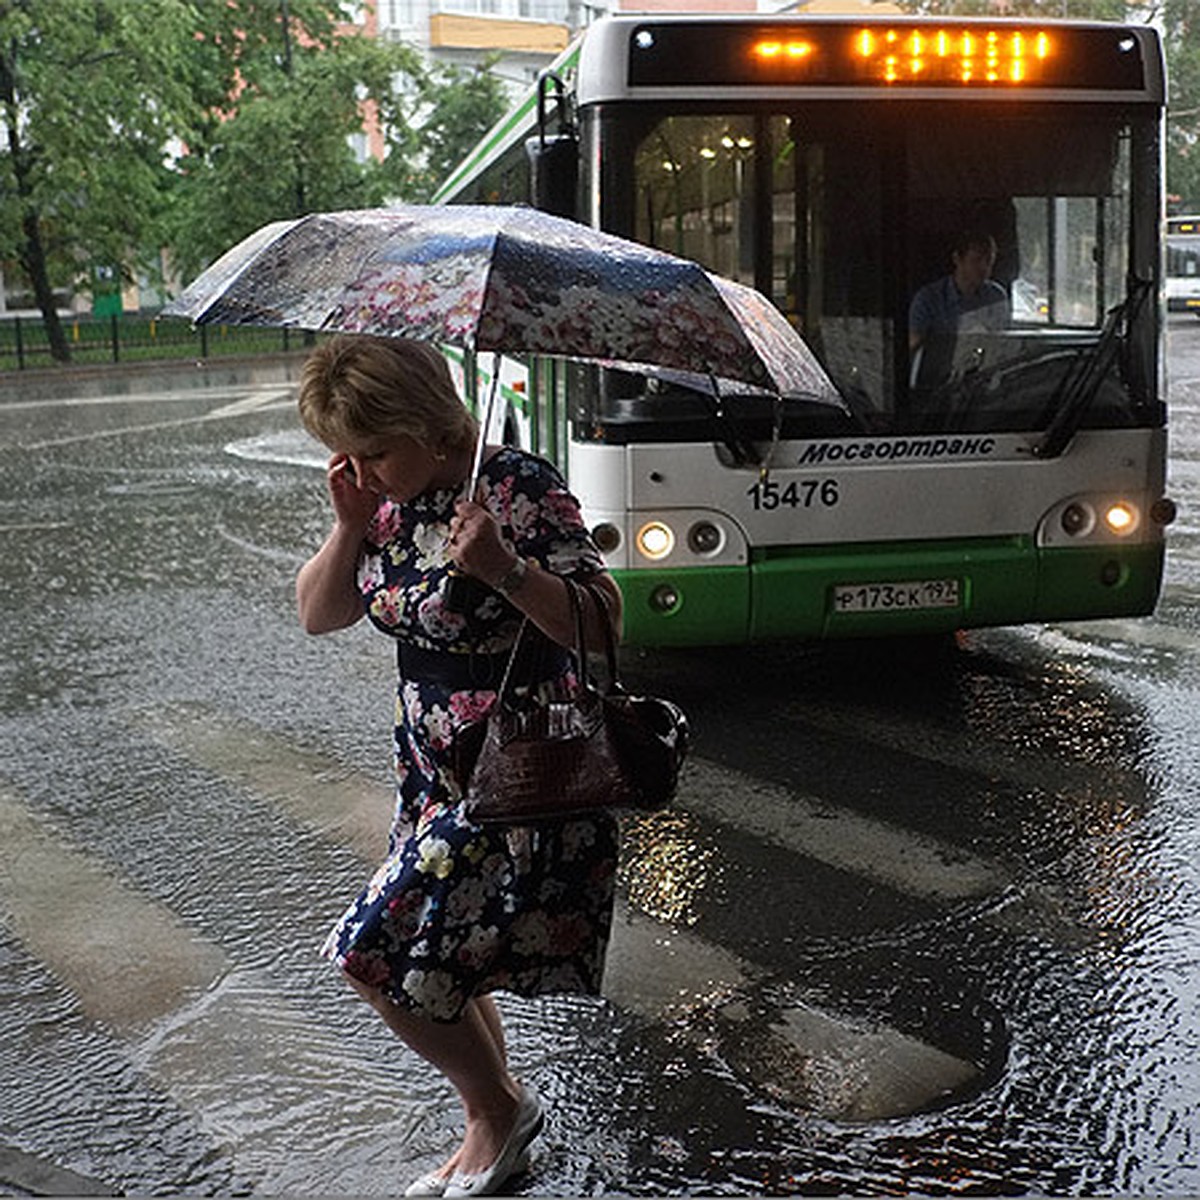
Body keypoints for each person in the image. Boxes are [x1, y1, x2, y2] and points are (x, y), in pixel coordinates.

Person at [295, 334, 623, 1198]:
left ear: (428, 425)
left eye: (375, 451)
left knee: (373, 953)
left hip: (513, 769)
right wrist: (348, 525)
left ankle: (496, 1113)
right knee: (440, 958)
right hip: (430, 768)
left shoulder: (515, 485)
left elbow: (604, 622)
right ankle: (495, 1116)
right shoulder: (383, 505)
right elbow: (318, 615)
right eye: (348, 455)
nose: (362, 470)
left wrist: (506, 569)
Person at [908, 229, 1009, 391]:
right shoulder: (928, 299)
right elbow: (914, 347)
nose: (984, 268)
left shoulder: (996, 296)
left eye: (989, 261)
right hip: (937, 385)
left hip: (984, 383)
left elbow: (1002, 344)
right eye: (976, 260)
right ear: (957, 259)